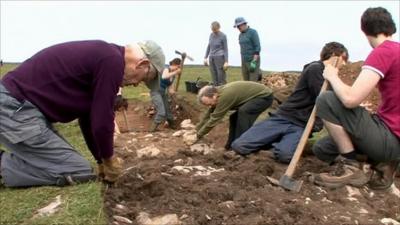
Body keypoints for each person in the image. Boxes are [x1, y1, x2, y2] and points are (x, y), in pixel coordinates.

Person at [0, 40, 165, 187]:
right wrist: (109, 159)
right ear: (142, 63)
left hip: (21, 108)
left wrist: (101, 160)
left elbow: (88, 118)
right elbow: (102, 120)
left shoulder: (105, 56)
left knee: (65, 163)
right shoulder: (112, 61)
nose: (137, 84)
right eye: (144, 79)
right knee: (77, 170)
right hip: (14, 108)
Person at [312, 7, 400, 190]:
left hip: (389, 139)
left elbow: (351, 99)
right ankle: (380, 164)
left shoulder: (384, 52)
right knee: (323, 148)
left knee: (326, 100)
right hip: (392, 136)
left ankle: (351, 167)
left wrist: (332, 76)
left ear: (366, 31)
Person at [231, 42, 348, 163]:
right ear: (334, 55)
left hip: (301, 125)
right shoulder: (315, 69)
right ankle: (270, 143)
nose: (344, 63)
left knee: (285, 156)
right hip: (285, 117)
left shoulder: (333, 77)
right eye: (343, 59)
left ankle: (274, 147)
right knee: (240, 145)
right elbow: (322, 97)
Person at [194, 81, 273, 149]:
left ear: (214, 96)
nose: (210, 106)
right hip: (255, 97)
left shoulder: (224, 97)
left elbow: (214, 119)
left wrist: (198, 135)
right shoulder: (216, 93)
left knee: (243, 113)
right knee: (233, 117)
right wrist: (196, 130)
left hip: (264, 97)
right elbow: (208, 114)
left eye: (210, 104)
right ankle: (230, 146)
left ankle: (242, 145)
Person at [150, 58, 182, 132]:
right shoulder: (166, 69)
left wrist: (173, 92)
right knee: (161, 112)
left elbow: (170, 87)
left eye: (179, 68)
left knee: (168, 111)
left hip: (163, 93)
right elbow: (164, 76)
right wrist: (176, 72)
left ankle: (172, 126)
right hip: (156, 92)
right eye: (178, 67)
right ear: (174, 64)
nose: (178, 69)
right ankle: (152, 130)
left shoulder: (173, 75)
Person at [234, 17, 261, 82]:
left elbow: (257, 47)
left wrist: (254, 61)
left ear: (243, 24)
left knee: (252, 82)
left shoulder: (253, 32)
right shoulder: (240, 35)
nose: (238, 28)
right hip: (244, 61)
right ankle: (259, 74)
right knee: (246, 82)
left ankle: (259, 74)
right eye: (237, 27)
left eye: (239, 26)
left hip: (253, 60)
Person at [204, 21, 229, 86]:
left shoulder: (223, 36)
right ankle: (215, 89)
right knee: (213, 75)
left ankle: (223, 90)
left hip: (220, 58)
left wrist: (226, 61)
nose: (214, 31)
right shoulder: (211, 35)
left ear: (219, 27)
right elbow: (209, 46)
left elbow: (226, 49)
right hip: (211, 57)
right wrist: (205, 57)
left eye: (215, 29)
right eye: (213, 29)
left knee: (220, 75)